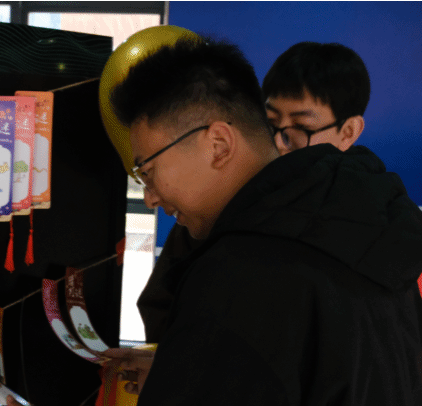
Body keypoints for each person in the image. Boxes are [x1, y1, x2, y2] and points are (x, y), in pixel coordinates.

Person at [0, 35, 422, 406]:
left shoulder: (249, 274)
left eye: (148, 170)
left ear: (218, 143)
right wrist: (190, 370)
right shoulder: (355, 223)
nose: (152, 196)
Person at [138, 41, 372, 347]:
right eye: (270, 123)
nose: (279, 144)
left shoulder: (364, 224)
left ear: (349, 132)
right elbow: (161, 308)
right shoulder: (216, 209)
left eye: (300, 128)